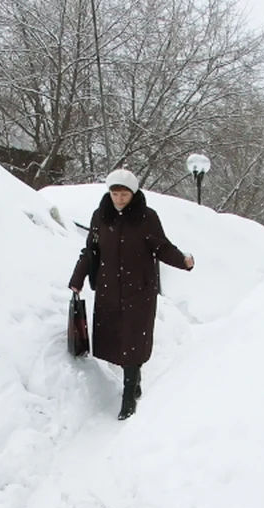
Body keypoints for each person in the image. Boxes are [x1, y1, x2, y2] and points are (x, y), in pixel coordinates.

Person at [69, 169, 195, 420]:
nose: (118, 199)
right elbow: (91, 250)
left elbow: (162, 247)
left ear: (133, 193)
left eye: (124, 194)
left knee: (132, 340)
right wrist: (77, 278)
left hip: (139, 290)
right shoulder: (100, 216)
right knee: (115, 340)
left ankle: (128, 398)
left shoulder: (146, 217)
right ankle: (133, 379)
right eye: (114, 194)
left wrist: (183, 260)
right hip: (109, 290)